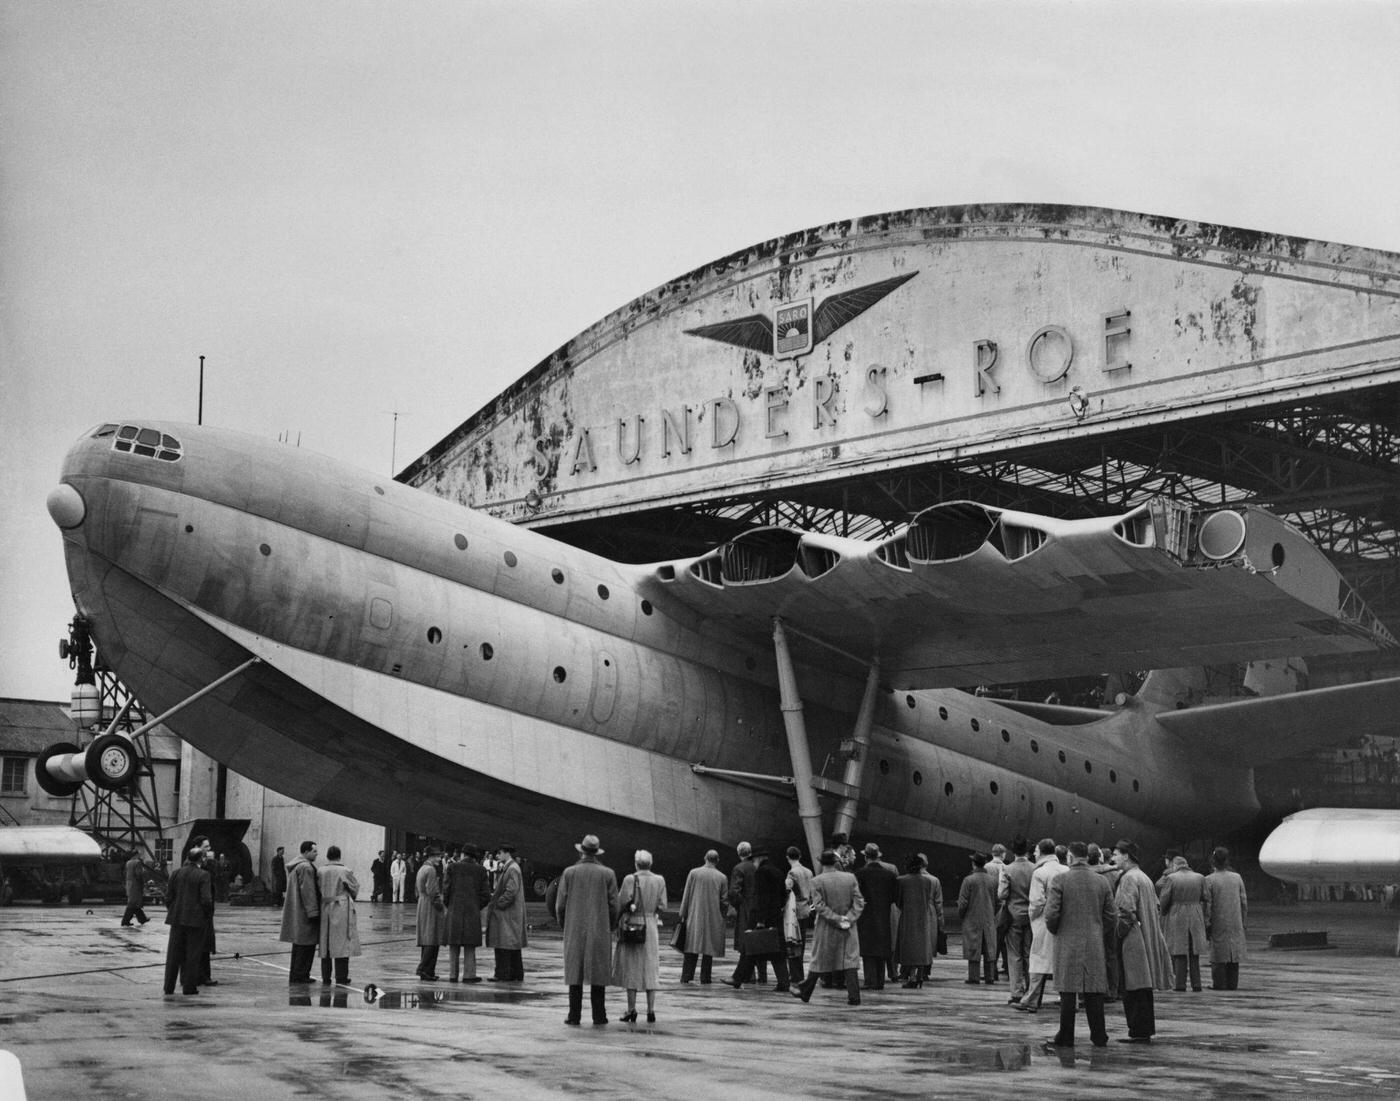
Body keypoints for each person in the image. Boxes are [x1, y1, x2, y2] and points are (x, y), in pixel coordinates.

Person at [1042, 841, 1115, 1050]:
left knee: (1067, 989)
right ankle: (1099, 1035)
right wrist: (1098, 930)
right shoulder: (1102, 882)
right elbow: (1111, 916)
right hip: (1094, 940)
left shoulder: (1060, 880)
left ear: (1071, 858)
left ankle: (1066, 1035)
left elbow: (1051, 914)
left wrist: (1058, 930)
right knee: (1094, 989)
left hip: (1067, 939)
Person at [1112, 839, 1172, 1043]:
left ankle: (1137, 1031)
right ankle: (1144, 1029)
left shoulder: (1128, 878)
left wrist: (1117, 934)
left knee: (1133, 986)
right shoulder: (1144, 877)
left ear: (1126, 855)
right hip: (1145, 933)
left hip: (1132, 938)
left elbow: (1126, 911)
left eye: (1116, 854)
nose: (1113, 858)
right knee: (1143, 987)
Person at [556, 834, 618, 1025]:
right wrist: (611, 925)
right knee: (598, 973)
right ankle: (599, 1015)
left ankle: (574, 1015)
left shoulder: (569, 872)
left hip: (574, 928)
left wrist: (565, 924)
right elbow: (614, 905)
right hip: (599, 929)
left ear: (581, 851)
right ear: (597, 852)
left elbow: (560, 905)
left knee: (575, 972)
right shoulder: (608, 874)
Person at [792, 849, 865, 1006]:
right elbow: (859, 902)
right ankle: (854, 996)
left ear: (821, 863)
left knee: (820, 959)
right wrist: (849, 919)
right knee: (849, 960)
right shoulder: (850, 878)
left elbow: (819, 906)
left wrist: (836, 919)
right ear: (836, 862)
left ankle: (805, 990)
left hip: (827, 926)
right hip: (848, 927)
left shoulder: (817, 881)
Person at [611, 849, 667, 1023]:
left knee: (631, 968)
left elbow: (621, 903)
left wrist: (616, 923)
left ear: (636, 863)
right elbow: (663, 905)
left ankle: (631, 1009)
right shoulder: (660, 880)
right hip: (650, 925)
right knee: (650, 968)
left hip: (633, 925)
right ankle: (650, 1010)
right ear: (651, 864)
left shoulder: (630, 879)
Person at [724, 847, 789, 992]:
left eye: (753, 860)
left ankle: (737, 978)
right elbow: (783, 895)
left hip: (761, 916)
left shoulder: (761, 872)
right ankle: (783, 982)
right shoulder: (777, 871)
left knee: (750, 947)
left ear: (758, 859)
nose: (753, 863)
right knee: (776, 952)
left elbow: (762, 897)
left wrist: (760, 920)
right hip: (775, 916)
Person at [1014, 837, 1066, 1012]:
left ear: (1042, 852)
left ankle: (1031, 1000)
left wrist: (1034, 918)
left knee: (1038, 962)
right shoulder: (1066, 870)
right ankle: (1069, 1002)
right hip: (1064, 923)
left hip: (1044, 922)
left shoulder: (1040, 873)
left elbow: (1036, 901)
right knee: (1062, 962)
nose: (1034, 854)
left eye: (1036, 851)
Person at [163, 836, 213, 996]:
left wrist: (173, 911)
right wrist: (206, 915)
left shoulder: (176, 873)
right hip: (195, 921)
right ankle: (189, 987)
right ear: (201, 859)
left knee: (173, 955)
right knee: (192, 955)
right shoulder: (203, 875)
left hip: (176, 919)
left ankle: (169, 987)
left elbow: (168, 897)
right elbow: (206, 900)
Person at [1158, 852, 1208, 992]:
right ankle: (1197, 984)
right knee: (1194, 951)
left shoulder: (1171, 878)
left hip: (1177, 914)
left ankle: (1179, 984)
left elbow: (1164, 899)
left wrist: (1164, 912)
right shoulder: (1200, 877)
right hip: (1195, 914)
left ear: (1175, 865)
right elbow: (1206, 896)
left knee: (1179, 950)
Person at [678, 849, 728, 984]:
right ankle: (705, 978)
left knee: (691, 947)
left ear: (705, 858)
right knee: (708, 949)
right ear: (717, 861)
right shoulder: (722, 877)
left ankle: (686, 976)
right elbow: (724, 901)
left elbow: (686, 895)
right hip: (713, 917)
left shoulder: (693, 873)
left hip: (694, 914)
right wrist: (723, 916)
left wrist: (682, 913)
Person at [443, 844, 490, 983]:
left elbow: (445, 890)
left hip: (454, 911)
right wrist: (476, 906)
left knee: (453, 945)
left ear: (463, 855)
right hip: (472, 913)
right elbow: (486, 895)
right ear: (474, 856)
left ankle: (453, 975)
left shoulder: (452, 868)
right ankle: (469, 975)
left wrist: (450, 905)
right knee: (470, 946)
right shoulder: (481, 871)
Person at [1203, 846, 1248, 990]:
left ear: (1213, 862)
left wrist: (1207, 922)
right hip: (1235, 921)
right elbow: (1243, 902)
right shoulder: (1237, 878)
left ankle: (1219, 984)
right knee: (1233, 955)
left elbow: (1208, 904)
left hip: (1218, 921)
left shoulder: (1209, 880)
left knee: (1218, 955)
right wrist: (1243, 921)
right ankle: (1232, 984)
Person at [855, 842, 898, 990]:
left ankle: (869, 980)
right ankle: (880, 981)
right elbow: (894, 897)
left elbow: (857, 896)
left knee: (868, 950)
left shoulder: (860, 874)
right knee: (882, 948)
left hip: (866, 916)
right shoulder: (890, 875)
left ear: (866, 857)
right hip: (884, 915)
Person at [317, 844, 360, 985]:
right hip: (340, 908)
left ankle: (326, 977)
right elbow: (354, 887)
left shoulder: (321, 871)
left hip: (324, 906)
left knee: (326, 943)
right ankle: (341, 976)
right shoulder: (345, 870)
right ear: (339, 855)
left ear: (328, 856)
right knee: (342, 943)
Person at [1000, 836, 1035, 1002]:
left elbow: (1002, 894)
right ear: (1027, 850)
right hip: (1030, 915)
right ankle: (1031, 991)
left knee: (1014, 954)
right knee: (1029, 954)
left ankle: (1016, 992)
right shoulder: (1035, 868)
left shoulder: (1007, 869)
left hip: (1013, 915)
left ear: (1013, 850)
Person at [485, 843, 527, 981]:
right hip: (511, 913)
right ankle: (515, 974)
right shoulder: (511, 867)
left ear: (506, 853)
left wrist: (499, 904)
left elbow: (511, 890)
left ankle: (503, 974)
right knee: (512, 945)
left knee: (503, 944)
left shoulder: (512, 869)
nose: (497, 856)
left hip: (508, 913)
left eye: (499, 853)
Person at [957, 851, 998, 984]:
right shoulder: (992, 880)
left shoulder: (968, 880)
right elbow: (997, 901)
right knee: (989, 949)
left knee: (973, 949)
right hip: (989, 918)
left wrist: (961, 915)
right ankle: (990, 976)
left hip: (972, 918)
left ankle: (973, 977)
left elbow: (962, 903)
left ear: (974, 864)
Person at [726, 841, 764, 983]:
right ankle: (762, 975)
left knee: (745, 941)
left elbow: (734, 892)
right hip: (759, 906)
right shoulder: (756, 867)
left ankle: (748, 975)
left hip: (746, 908)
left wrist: (738, 905)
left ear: (739, 853)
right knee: (759, 940)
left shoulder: (739, 868)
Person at [893, 854, 933, 986]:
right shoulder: (927, 881)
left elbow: (898, 901)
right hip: (923, 917)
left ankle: (911, 977)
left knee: (909, 949)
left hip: (907, 918)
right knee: (921, 948)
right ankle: (920, 975)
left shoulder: (901, 881)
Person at [783, 846, 814, 984]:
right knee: (801, 943)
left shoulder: (792, 872)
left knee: (793, 942)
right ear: (800, 856)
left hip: (795, 910)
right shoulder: (808, 872)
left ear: (787, 857)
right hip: (806, 908)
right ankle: (798, 972)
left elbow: (788, 889)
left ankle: (796, 973)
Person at [415, 846, 447, 980]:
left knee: (426, 938)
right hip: (430, 905)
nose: (440, 859)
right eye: (437, 856)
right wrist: (441, 907)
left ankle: (428, 971)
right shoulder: (431, 870)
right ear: (430, 856)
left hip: (422, 903)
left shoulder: (422, 868)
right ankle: (424, 968)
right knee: (432, 938)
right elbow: (433, 892)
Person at [121, 850, 149, 927]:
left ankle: (142, 919)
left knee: (135, 902)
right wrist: (144, 875)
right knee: (133, 903)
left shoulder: (128, 862)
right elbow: (138, 874)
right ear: (136, 855)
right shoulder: (137, 862)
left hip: (129, 884)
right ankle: (125, 921)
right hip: (135, 884)